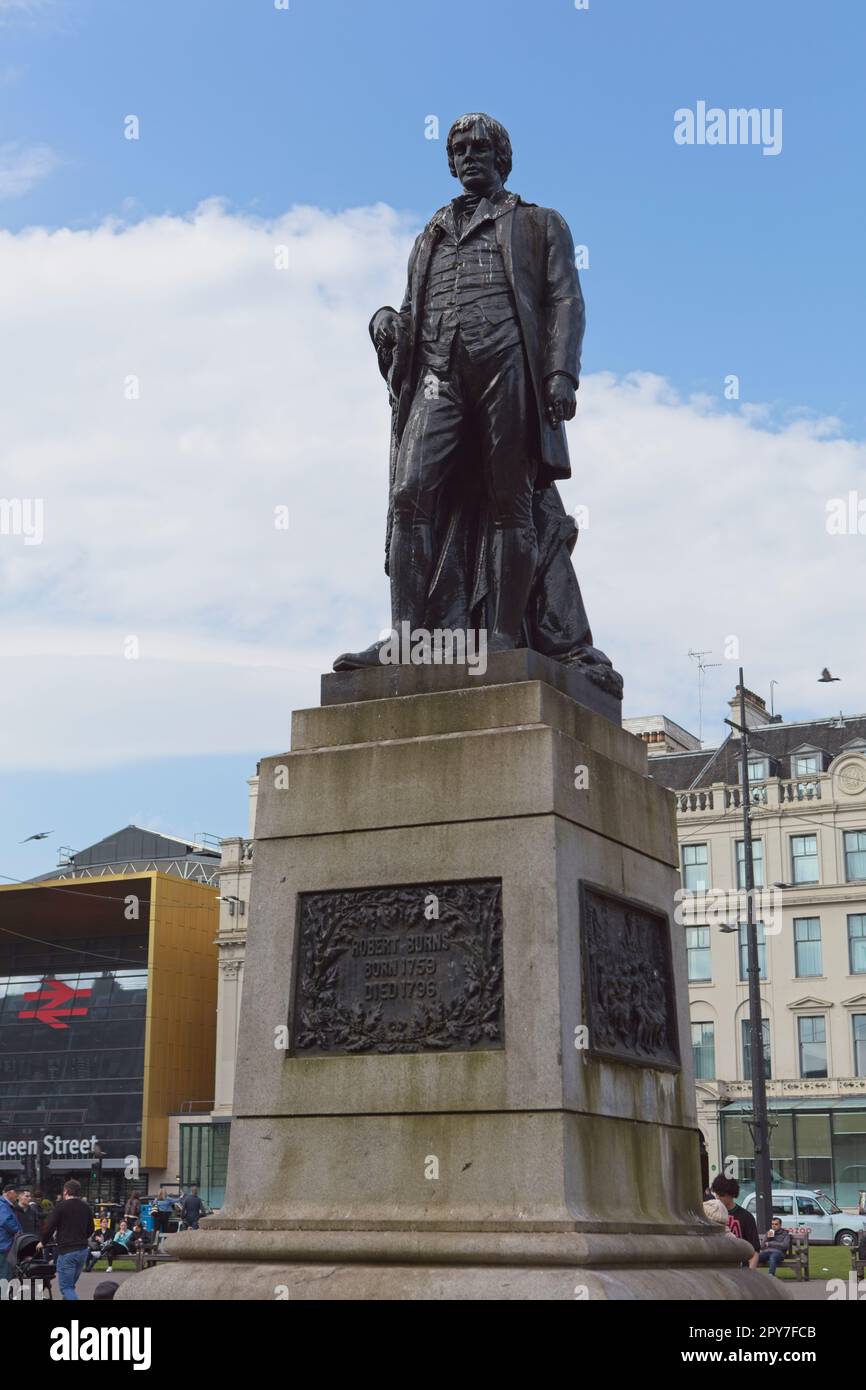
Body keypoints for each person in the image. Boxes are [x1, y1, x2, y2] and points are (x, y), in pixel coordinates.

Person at [37, 1179, 94, 1300]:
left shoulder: (60, 1206)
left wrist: (43, 1242)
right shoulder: (86, 1207)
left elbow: (50, 1227)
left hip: (67, 1251)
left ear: (66, 1191)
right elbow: (91, 1229)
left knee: (66, 1287)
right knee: (70, 1286)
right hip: (83, 1250)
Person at [710, 1176, 760, 1269]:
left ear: (730, 1194)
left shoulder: (746, 1217)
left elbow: (754, 1250)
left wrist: (750, 1272)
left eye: (721, 1194)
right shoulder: (712, 1215)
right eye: (716, 1194)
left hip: (740, 1269)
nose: (717, 1198)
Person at [0, 1183, 22, 1281]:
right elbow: (6, 1221)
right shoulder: (2, 1204)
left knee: (6, 1274)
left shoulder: (5, 1205)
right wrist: (18, 1231)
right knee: (5, 1275)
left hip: (5, 1244)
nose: (17, 1195)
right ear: (9, 1193)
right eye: (15, 1192)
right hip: (4, 1245)